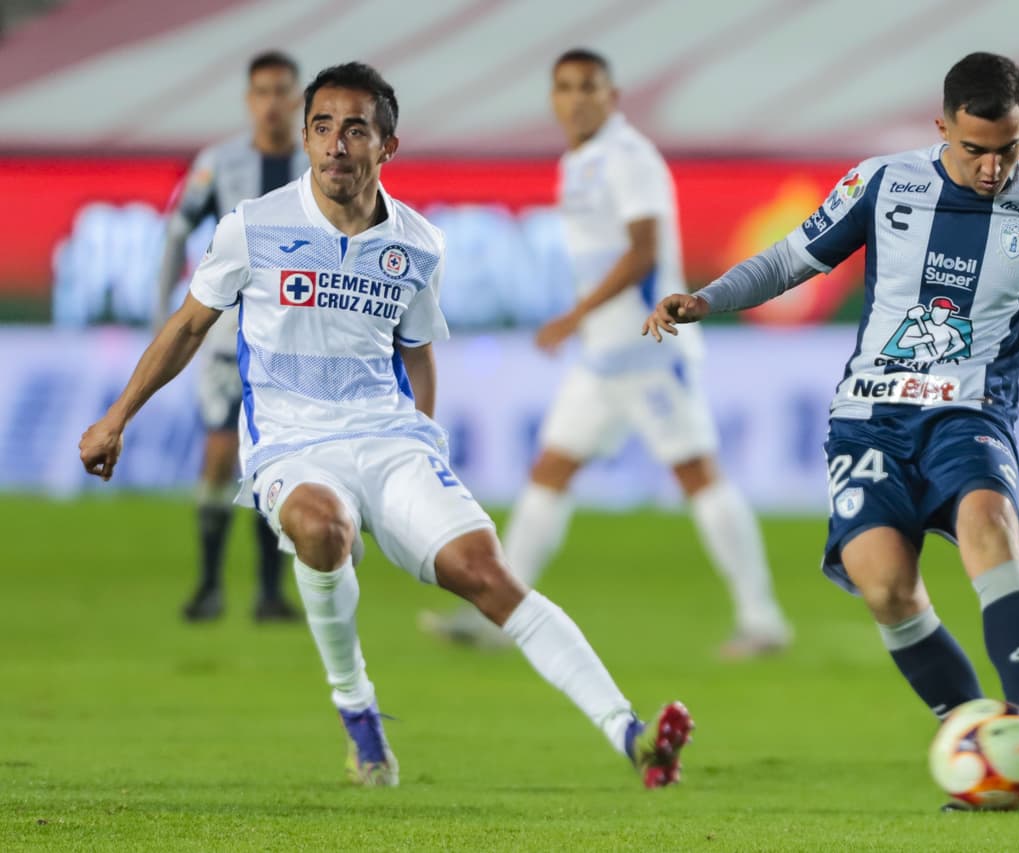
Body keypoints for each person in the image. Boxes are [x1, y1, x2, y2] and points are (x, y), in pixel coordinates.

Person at [82, 62, 692, 789]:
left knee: (487, 574)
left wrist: (423, 447)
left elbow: (417, 351)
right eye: (322, 128)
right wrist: (116, 417)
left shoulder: (420, 245)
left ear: (387, 144)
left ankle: (628, 733)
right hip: (290, 442)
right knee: (323, 527)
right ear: (307, 140)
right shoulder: (255, 227)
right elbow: (187, 326)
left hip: (390, 439)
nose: (336, 144)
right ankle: (358, 708)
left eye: (355, 129)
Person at [643, 52, 1019, 809]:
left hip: (970, 413)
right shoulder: (883, 182)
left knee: (989, 524)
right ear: (942, 127)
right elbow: (790, 259)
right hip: (869, 419)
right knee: (885, 585)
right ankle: (994, 751)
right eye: (974, 148)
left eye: (1008, 147)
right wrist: (707, 298)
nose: (992, 166)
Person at [423, 48, 791, 659]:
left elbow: (642, 252)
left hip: (649, 347)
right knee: (551, 469)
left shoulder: (629, 157)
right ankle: (501, 614)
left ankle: (762, 619)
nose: (576, 98)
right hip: (602, 359)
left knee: (696, 475)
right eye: (564, 87)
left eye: (588, 86)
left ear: (612, 96)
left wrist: (573, 315)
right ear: (552, 98)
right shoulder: (580, 161)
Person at [155, 50, 309, 623]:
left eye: (282, 91)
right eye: (262, 91)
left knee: (276, 461)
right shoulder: (218, 164)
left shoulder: (318, 165)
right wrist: (161, 316)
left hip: (293, 343)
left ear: (297, 100)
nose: (272, 102)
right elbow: (175, 235)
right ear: (250, 101)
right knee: (221, 454)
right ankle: (208, 585)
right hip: (224, 338)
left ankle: (270, 594)